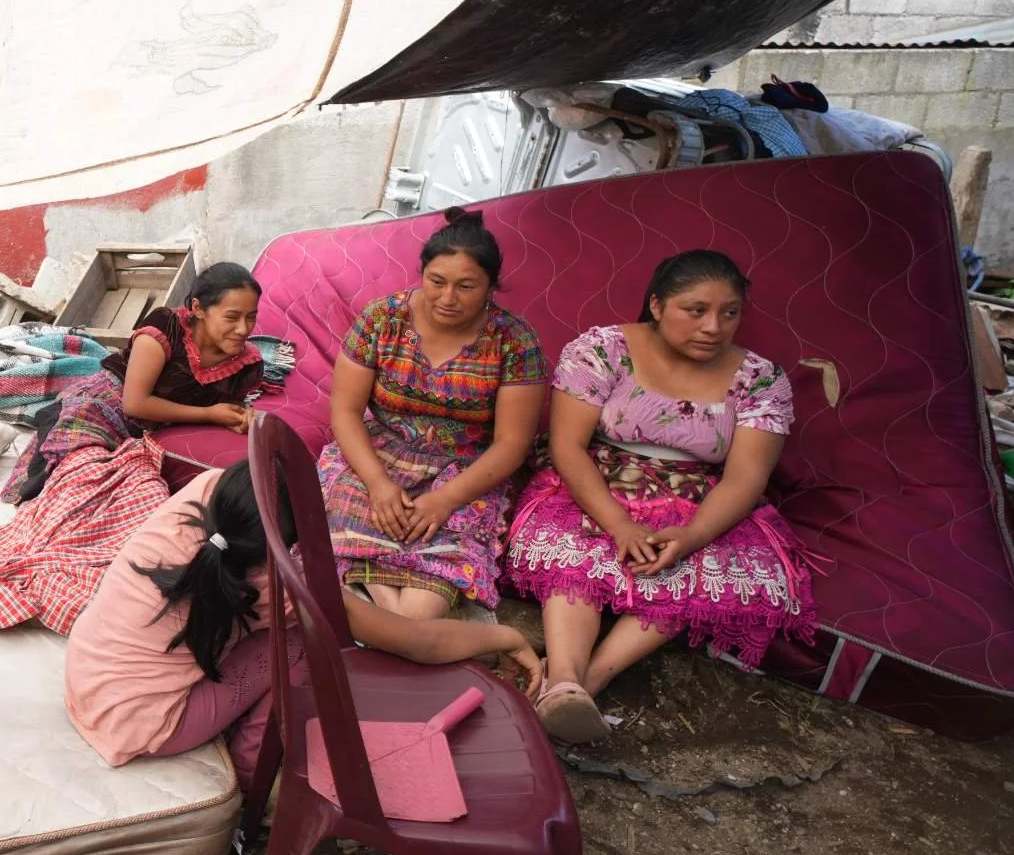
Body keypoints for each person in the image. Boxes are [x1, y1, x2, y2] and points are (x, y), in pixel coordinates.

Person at [65, 462, 542, 790]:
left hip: (85, 680)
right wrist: (507, 635)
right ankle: (254, 773)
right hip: (143, 727)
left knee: (276, 632)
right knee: (300, 644)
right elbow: (414, 639)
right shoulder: (281, 590)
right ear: (289, 539)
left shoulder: (206, 490)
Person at [505, 250, 814, 744]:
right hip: (596, 480)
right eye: (696, 310)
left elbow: (744, 480)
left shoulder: (759, 380)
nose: (714, 326)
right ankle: (563, 675)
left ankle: (583, 687)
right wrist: (620, 525)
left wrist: (692, 535)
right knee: (577, 552)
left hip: (697, 497)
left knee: (688, 571)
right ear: (656, 305)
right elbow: (567, 446)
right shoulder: (603, 349)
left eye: (729, 312)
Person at [316, 208, 547, 619]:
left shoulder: (515, 340)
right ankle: (393, 622)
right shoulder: (381, 319)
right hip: (375, 457)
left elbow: (513, 443)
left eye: (466, 286)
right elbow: (346, 411)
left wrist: (445, 501)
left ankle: (379, 613)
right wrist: (378, 485)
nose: (447, 298)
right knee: (343, 533)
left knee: (423, 608)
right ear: (421, 272)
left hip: (466, 472)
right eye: (436, 281)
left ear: (492, 286)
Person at [5, 262, 266, 505]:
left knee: (138, 495)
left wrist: (242, 418)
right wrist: (209, 414)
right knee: (75, 480)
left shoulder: (245, 365)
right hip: (99, 408)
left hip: (145, 437)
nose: (243, 329)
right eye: (232, 318)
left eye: (251, 317)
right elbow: (135, 404)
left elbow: (230, 410)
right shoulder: (165, 329)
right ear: (198, 309)